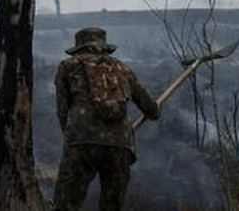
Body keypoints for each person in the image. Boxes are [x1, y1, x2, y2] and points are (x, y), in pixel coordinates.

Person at [53, 27, 160, 211]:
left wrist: (71, 138)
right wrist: (155, 110)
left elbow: (62, 110)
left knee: (66, 203)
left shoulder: (68, 67)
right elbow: (150, 108)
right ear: (104, 47)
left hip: (82, 141)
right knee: (112, 205)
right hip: (120, 145)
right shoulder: (122, 69)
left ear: (79, 48)